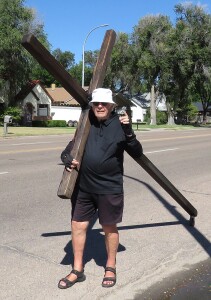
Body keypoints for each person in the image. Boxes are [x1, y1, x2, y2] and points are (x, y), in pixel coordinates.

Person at [58, 88, 143, 289]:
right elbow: (69, 148)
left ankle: (110, 266)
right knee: (77, 225)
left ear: (112, 105)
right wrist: (66, 158)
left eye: (104, 103)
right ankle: (77, 269)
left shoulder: (120, 124)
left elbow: (137, 152)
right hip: (83, 187)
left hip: (109, 187)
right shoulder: (86, 122)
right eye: (96, 103)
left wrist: (129, 132)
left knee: (109, 227)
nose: (100, 106)